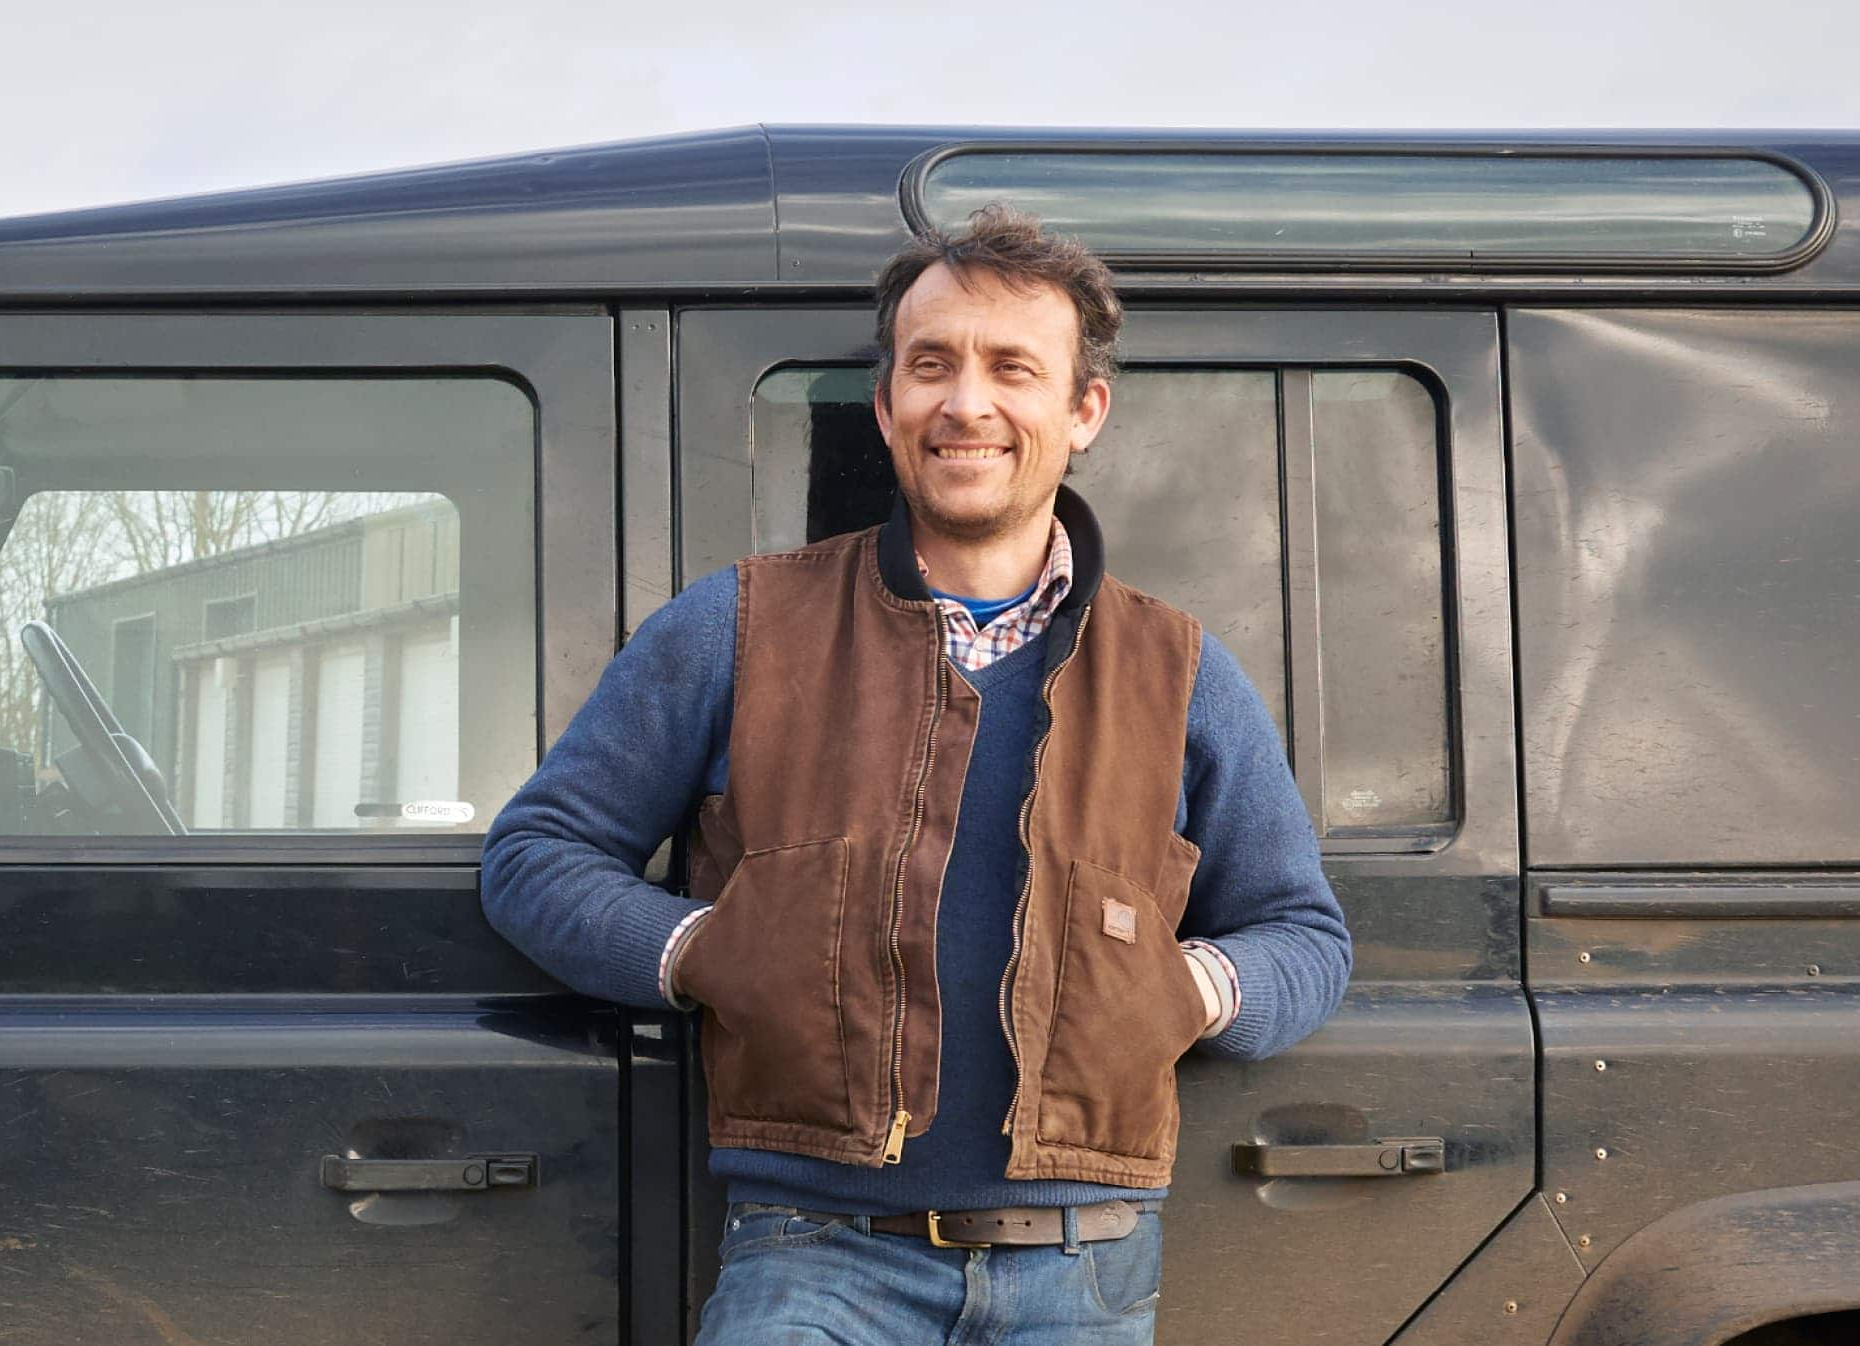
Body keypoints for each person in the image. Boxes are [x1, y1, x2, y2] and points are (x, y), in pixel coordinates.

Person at [482, 205, 1351, 1344]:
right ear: (887, 403)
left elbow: (1304, 934)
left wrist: (1187, 991)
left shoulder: (1179, 669)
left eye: (1011, 368)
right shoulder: (736, 626)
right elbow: (535, 855)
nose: (967, 402)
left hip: (1082, 1271)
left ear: (1082, 409)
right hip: (811, 1256)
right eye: (930, 363)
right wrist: (701, 950)